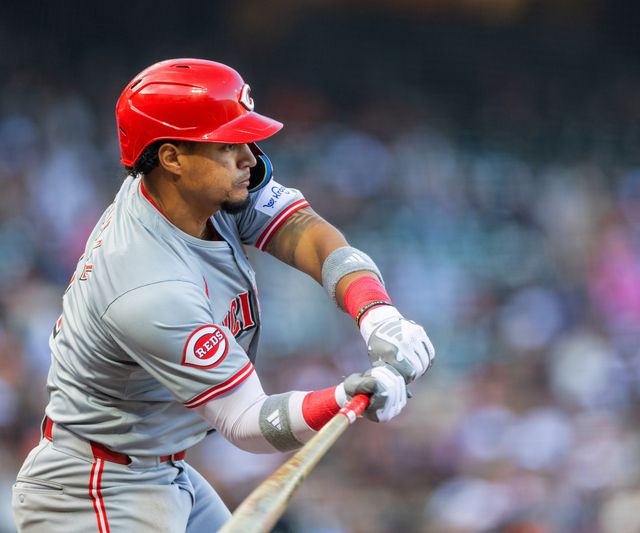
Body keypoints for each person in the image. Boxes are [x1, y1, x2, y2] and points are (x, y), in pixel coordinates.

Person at [11, 58, 435, 533]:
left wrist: (376, 313)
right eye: (229, 144)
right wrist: (344, 397)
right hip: (96, 491)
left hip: (155, 467)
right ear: (171, 157)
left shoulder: (194, 190)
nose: (250, 157)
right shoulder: (147, 284)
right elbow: (248, 423)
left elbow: (305, 231)